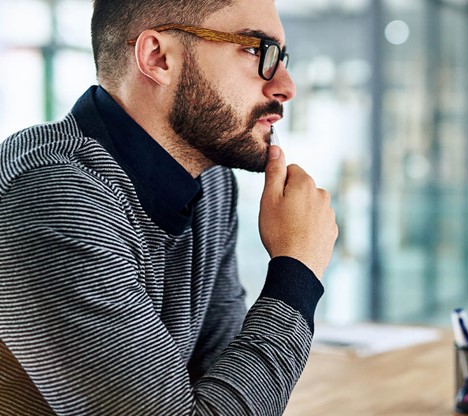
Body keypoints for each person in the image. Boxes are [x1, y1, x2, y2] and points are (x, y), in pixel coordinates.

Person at [0, 0, 338, 414]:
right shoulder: (53, 196)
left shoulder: (211, 182)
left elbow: (225, 387)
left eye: (281, 58)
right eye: (256, 50)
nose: (286, 85)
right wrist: (296, 272)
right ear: (158, 58)